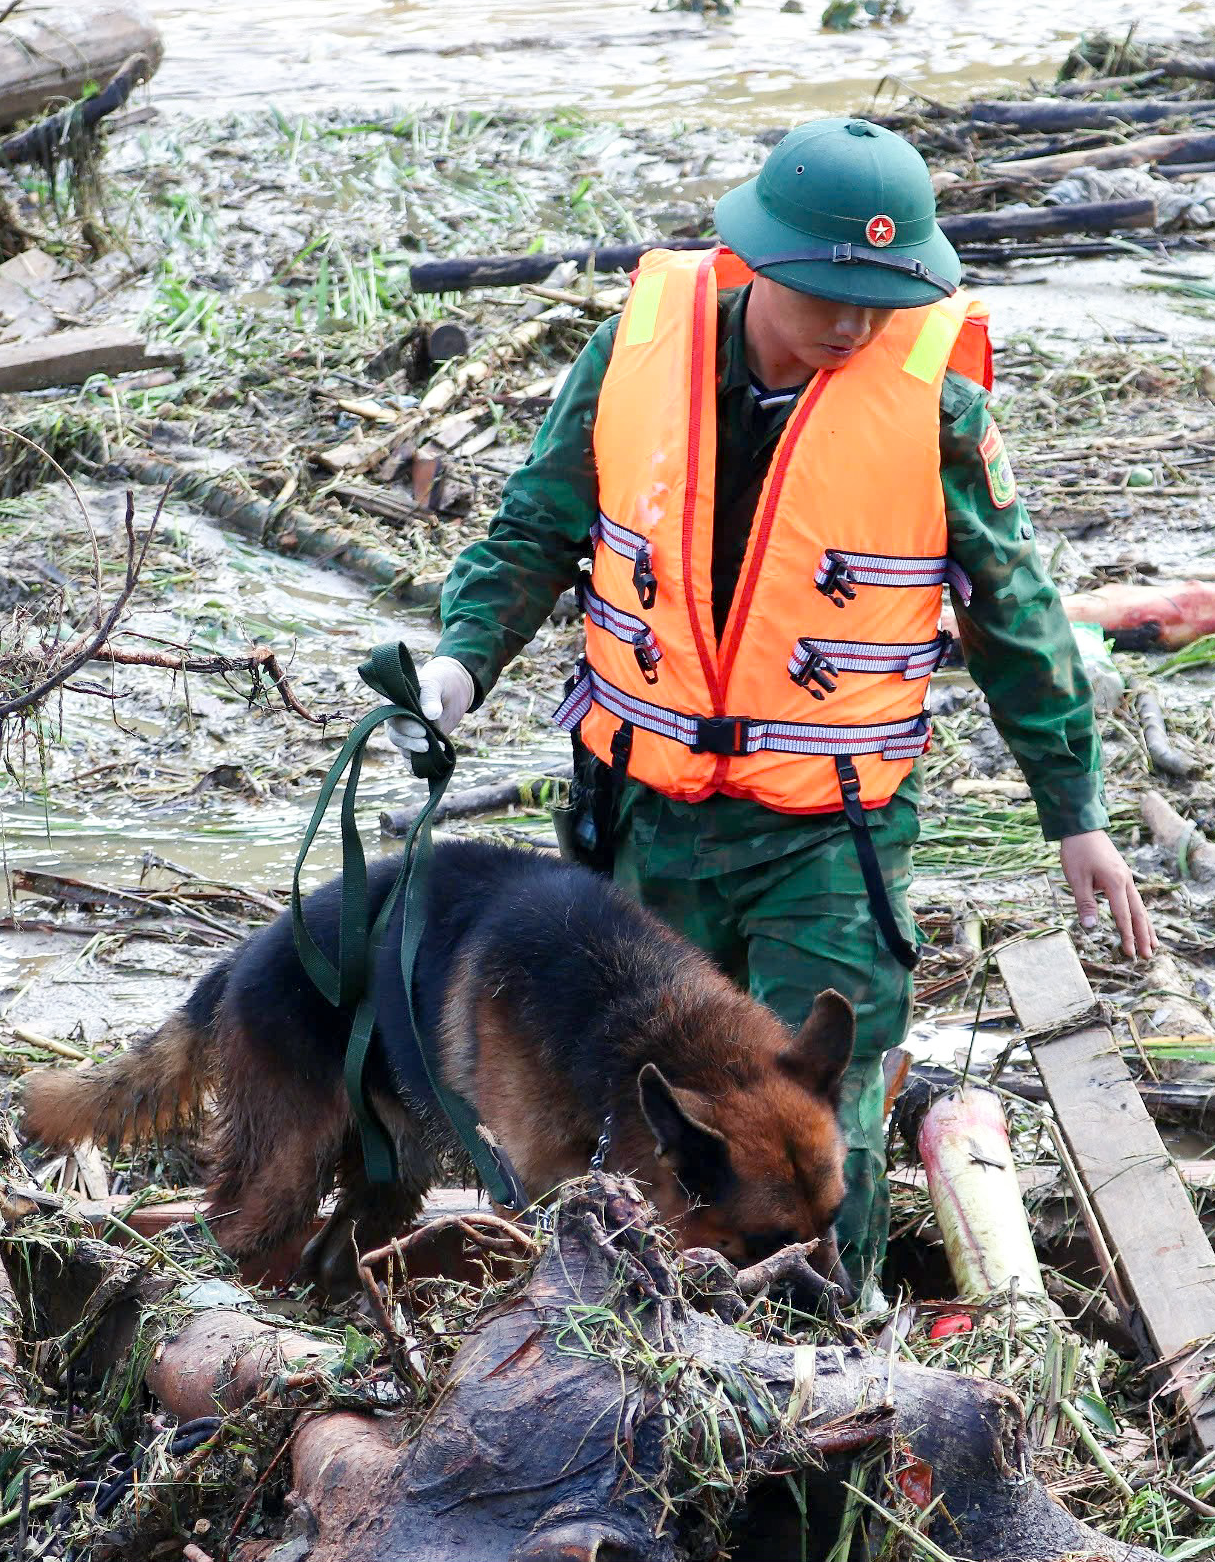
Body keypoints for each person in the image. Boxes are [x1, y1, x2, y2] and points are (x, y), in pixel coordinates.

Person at [386, 116, 1154, 1284]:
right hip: (646, 823)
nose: (853, 325)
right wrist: (461, 659)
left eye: (880, 301)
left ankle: (830, 1346)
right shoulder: (634, 355)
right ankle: (648, 1339)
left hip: (827, 836)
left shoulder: (936, 409)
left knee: (814, 1114)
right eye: (827, 295)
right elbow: (533, 527)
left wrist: (1075, 812)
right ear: (755, 263)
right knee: (653, 1122)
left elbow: (1016, 615)